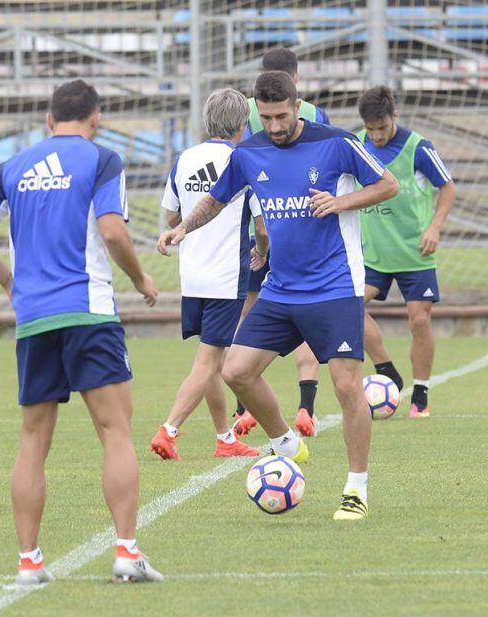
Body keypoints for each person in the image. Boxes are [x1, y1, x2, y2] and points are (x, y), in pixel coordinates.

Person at [158, 71, 399, 520]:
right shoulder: (249, 153)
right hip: (281, 287)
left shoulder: (336, 142)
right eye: (265, 117)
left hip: (334, 287)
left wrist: (339, 202)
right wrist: (181, 227)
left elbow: (388, 184)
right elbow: (216, 199)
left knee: (347, 386)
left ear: (296, 104)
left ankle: (356, 488)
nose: (274, 126)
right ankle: (288, 443)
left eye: (281, 116)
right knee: (236, 370)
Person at [0, 79, 163, 583]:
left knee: (33, 441)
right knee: (116, 431)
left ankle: (29, 562)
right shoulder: (101, 160)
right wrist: (140, 277)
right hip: (89, 312)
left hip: (33, 317)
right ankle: (125, 552)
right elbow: (113, 229)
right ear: (96, 120)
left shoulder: (14, 166)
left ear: (49, 122)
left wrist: (10, 282)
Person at [150, 89, 268, 461]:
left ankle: (225, 438)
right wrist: (261, 253)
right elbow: (262, 227)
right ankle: (168, 430)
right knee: (208, 362)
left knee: (212, 360)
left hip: (193, 275)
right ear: (242, 124)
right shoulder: (244, 160)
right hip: (225, 274)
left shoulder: (186, 158)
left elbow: (172, 216)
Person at [234, 47, 332, 439]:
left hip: (256, 228)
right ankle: (305, 406)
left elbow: (234, 160)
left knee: (250, 311)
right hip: (301, 233)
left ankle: (244, 407)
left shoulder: (243, 107)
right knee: (307, 317)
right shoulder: (311, 112)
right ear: (295, 78)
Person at [357, 86, 456, 418]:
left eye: (382, 128)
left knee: (419, 320)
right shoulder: (357, 145)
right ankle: (386, 370)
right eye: (371, 129)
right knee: (348, 307)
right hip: (373, 255)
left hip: (415, 252)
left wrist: (435, 226)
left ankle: (421, 396)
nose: (376, 136)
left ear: (394, 117)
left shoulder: (418, 148)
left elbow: (448, 187)